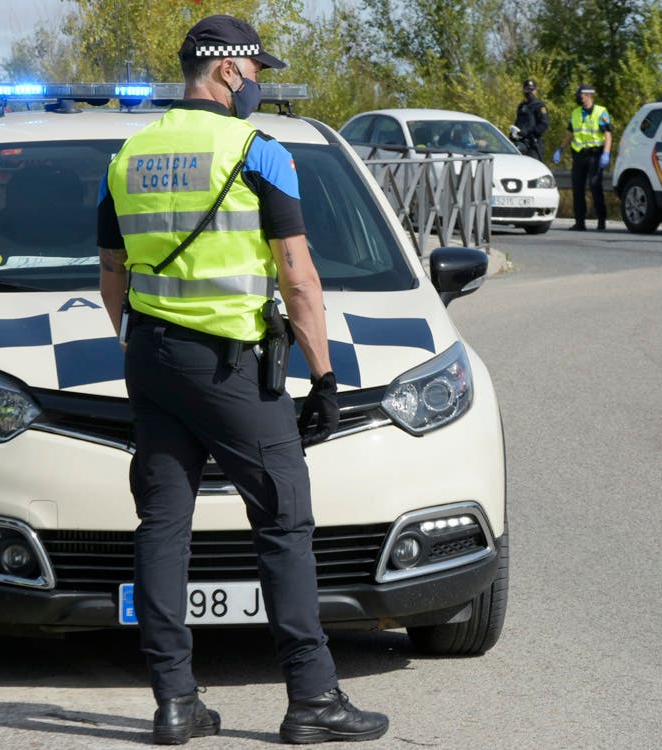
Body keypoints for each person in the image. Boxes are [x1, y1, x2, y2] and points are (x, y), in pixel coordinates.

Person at [96, 13, 389, 746]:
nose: (259, 83)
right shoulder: (261, 151)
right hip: (231, 368)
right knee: (284, 522)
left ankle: (174, 702)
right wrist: (324, 377)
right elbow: (298, 276)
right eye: (257, 71)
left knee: (163, 526)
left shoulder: (129, 154)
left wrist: (138, 338)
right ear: (227, 70)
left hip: (152, 360)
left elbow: (111, 274)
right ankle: (314, 699)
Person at [553, 84, 612, 231]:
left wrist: (606, 153)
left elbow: (608, 135)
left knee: (594, 186)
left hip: (595, 155)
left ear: (588, 95)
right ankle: (580, 221)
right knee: (577, 188)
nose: (579, 98)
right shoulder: (576, 113)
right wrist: (560, 148)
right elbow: (571, 133)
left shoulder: (601, 112)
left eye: (581, 95)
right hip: (579, 155)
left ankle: (601, 219)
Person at [512, 79, 550, 161]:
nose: (529, 92)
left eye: (531, 89)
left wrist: (529, 131)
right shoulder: (521, 106)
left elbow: (544, 124)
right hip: (521, 143)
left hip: (533, 144)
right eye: (527, 89)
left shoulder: (539, 106)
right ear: (523, 90)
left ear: (535, 91)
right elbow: (518, 122)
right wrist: (513, 133)